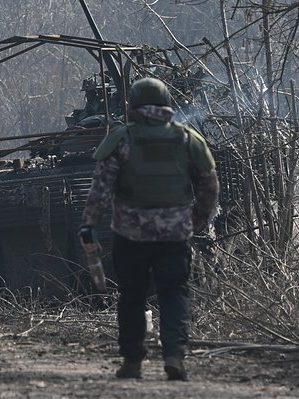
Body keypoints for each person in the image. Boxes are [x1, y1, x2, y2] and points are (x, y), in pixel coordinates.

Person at [79, 77, 219, 381]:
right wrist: (198, 217)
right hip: (175, 233)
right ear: (167, 104)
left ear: (133, 105)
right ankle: (174, 356)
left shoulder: (122, 139)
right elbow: (209, 184)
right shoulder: (187, 139)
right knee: (174, 293)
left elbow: (101, 189)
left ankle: (132, 361)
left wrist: (89, 225)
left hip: (131, 234)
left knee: (132, 296)